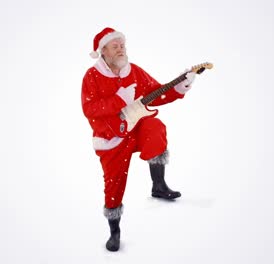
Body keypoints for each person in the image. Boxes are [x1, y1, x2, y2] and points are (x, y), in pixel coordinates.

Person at [81, 27, 196, 252]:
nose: (121, 48)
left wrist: (181, 86)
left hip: (136, 129)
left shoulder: (133, 71)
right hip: (111, 137)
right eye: (115, 46)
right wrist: (118, 100)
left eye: (122, 45)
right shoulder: (92, 76)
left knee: (154, 125)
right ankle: (114, 232)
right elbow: (89, 108)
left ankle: (159, 185)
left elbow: (157, 92)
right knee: (113, 185)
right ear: (103, 51)